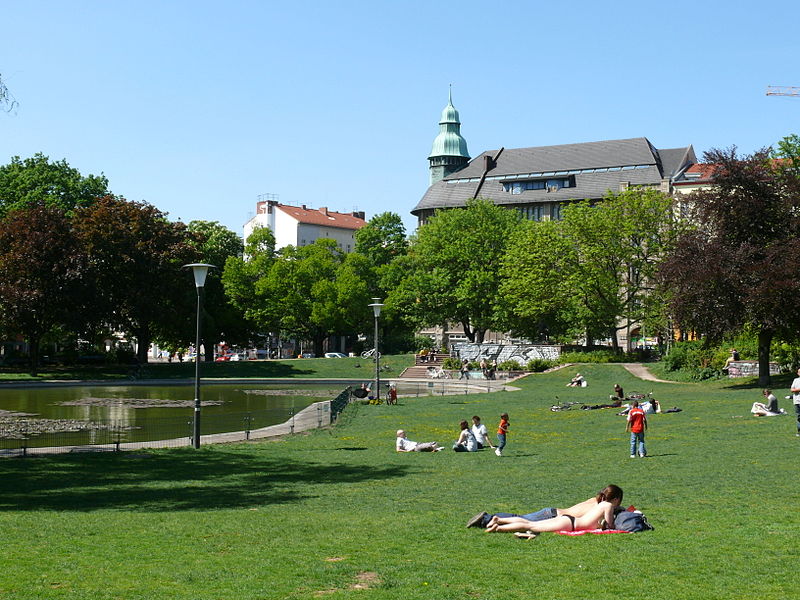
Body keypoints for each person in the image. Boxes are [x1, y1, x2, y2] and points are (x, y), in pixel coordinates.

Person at [484, 486, 624, 537]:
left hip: (564, 517)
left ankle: (499, 521)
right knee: (528, 523)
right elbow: (610, 526)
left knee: (526, 521)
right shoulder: (607, 506)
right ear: (616, 499)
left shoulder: (596, 501)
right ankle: (492, 522)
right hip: (565, 520)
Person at [792, 368, 800, 436]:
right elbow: (792, 389)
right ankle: (799, 431)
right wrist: (798, 389)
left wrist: (796, 390)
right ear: (798, 373)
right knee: (798, 417)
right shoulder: (795, 380)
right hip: (797, 401)